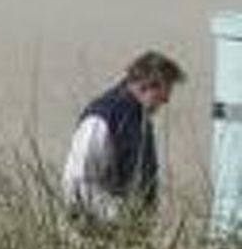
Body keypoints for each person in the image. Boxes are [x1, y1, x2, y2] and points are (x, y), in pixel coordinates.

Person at [60, 51, 184, 227]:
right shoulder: (102, 118)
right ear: (145, 86)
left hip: (127, 232)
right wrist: (122, 217)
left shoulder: (138, 120)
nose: (166, 101)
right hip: (96, 233)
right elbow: (77, 183)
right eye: (163, 95)